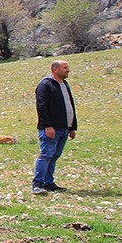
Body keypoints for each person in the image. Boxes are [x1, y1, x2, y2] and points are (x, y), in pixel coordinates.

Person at [33, 59, 77, 194]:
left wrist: (72, 126)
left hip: (64, 127)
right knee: (46, 155)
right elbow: (42, 106)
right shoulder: (46, 85)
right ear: (55, 69)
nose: (67, 70)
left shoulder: (64, 84)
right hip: (52, 129)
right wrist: (47, 126)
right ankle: (38, 184)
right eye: (64, 67)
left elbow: (69, 105)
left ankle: (48, 182)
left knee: (55, 155)